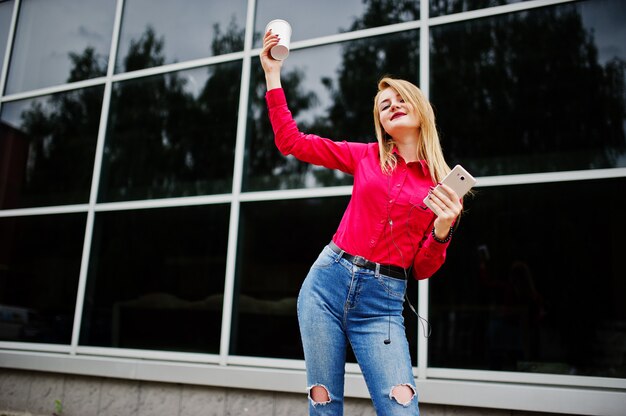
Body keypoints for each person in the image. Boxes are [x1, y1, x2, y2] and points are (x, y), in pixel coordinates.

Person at [261, 30, 463, 416]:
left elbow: (420, 269)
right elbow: (291, 142)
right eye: (384, 105)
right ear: (381, 124)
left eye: (401, 98)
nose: (393, 105)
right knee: (324, 406)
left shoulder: (442, 187)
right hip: (325, 286)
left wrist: (443, 228)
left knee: (401, 409)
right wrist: (273, 74)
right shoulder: (366, 156)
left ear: (421, 109)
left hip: (382, 304)